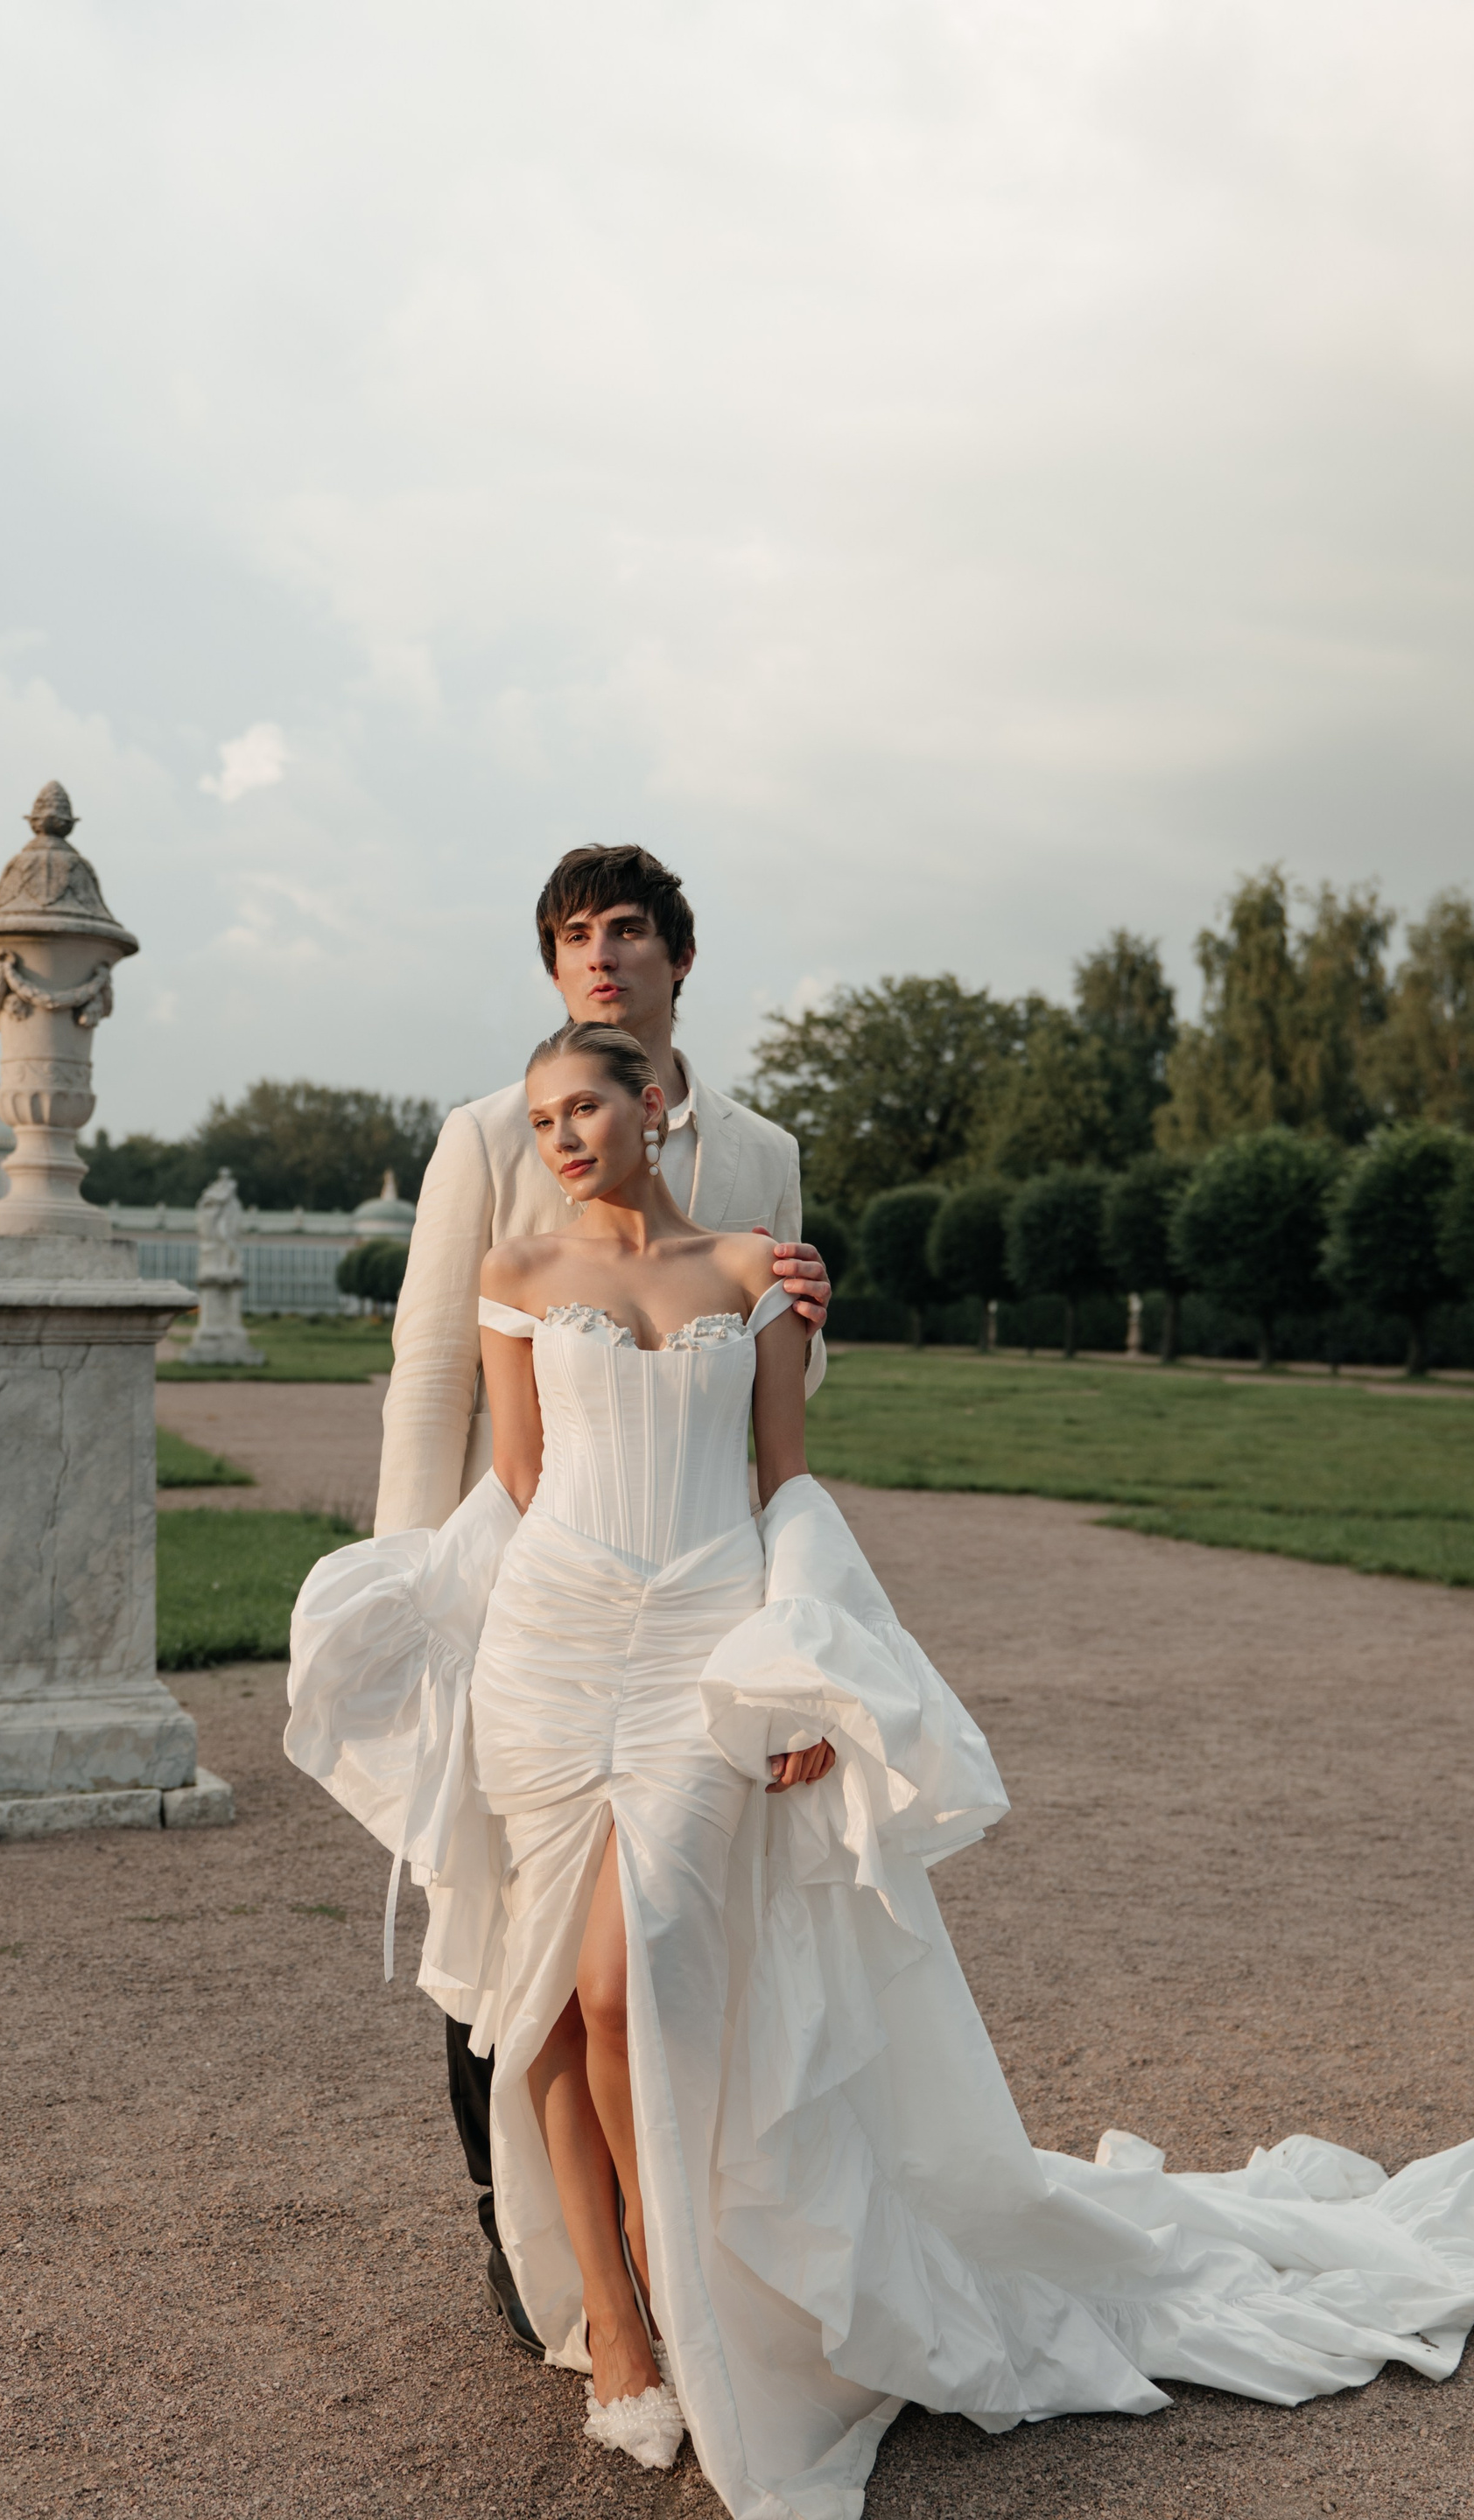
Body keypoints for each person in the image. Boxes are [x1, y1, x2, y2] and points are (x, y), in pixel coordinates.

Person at [289, 1020, 1474, 2517]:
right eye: (543, 1115)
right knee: (547, 1992)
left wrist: (803, 1669)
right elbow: (514, 1482)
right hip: (547, 1654)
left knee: (631, 1985)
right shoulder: (518, 1268)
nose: (560, 1137)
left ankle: (678, 2281)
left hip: (698, 1647)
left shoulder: (754, 1270)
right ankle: (621, 2327)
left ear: (653, 1107)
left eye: (586, 1108)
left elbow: (786, 1484)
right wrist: (411, 1618)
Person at [372, 844, 834, 2354]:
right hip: (531, 1599)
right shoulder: (484, 1137)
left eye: (625, 931)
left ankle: (705, 2237)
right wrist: (418, 1601)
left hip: (695, 1597)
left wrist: (811, 1317)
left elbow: (774, 1389)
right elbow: (433, 1378)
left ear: (675, 959)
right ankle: (529, 2245)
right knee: (508, 1937)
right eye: (572, 937)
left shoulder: (762, 1152)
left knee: (657, 1948)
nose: (598, 956)